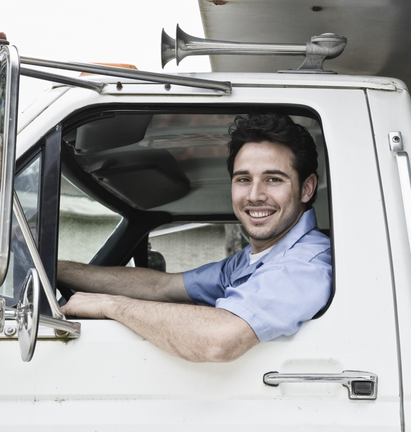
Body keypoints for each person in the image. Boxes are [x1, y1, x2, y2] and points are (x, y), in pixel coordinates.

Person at [58, 113, 332, 363]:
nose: (254, 195)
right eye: (243, 179)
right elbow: (162, 286)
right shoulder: (255, 259)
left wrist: (110, 305)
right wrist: (56, 268)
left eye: (273, 179)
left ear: (306, 188)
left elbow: (219, 341)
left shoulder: (304, 264)